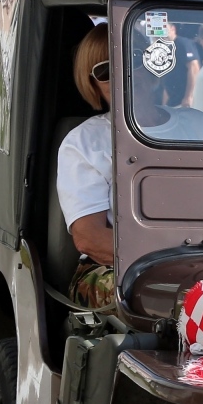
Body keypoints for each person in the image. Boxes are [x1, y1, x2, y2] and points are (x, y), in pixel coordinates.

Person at [57, 24, 118, 309]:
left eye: (136, 60)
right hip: (109, 269)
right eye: (107, 71)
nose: (124, 76)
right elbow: (89, 238)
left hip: (197, 265)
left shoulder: (199, 126)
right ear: (92, 83)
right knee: (192, 301)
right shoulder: (84, 141)